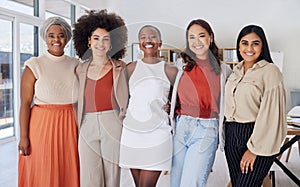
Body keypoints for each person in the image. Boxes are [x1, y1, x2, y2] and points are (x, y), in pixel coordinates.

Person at [169, 19, 232, 187]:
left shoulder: (224, 70)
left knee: (192, 183)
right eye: (191, 37)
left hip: (207, 129)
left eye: (201, 36)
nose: (196, 42)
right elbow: (170, 92)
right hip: (181, 126)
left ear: (210, 38)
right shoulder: (180, 65)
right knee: (175, 182)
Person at [18, 17, 79, 187]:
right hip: (41, 125)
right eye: (51, 35)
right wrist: (23, 136)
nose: (56, 40)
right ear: (45, 38)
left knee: (67, 168)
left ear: (66, 39)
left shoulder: (76, 64)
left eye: (61, 35)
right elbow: (25, 103)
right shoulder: (34, 64)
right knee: (42, 169)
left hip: (70, 124)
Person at [224, 25, 287, 187]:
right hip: (231, 135)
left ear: (262, 46)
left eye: (255, 43)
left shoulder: (271, 72)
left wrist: (253, 149)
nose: (249, 48)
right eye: (244, 43)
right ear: (238, 47)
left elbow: (272, 115)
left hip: (256, 135)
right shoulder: (235, 71)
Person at [72, 9, 128, 187]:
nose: (100, 43)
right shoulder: (79, 69)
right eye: (96, 38)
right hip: (86, 124)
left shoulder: (121, 68)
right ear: (89, 41)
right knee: (89, 176)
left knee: (112, 175)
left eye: (106, 39)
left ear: (112, 43)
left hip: (112, 122)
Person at [119, 25, 178, 187]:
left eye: (152, 37)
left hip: (157, 135)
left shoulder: (171, 70)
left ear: (160, 42)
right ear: (139, 43)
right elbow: (122, 98)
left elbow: (180, 99)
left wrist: (171, 105)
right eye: (143, 37)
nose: (147, 40)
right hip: (132, 134)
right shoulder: (130, 68)